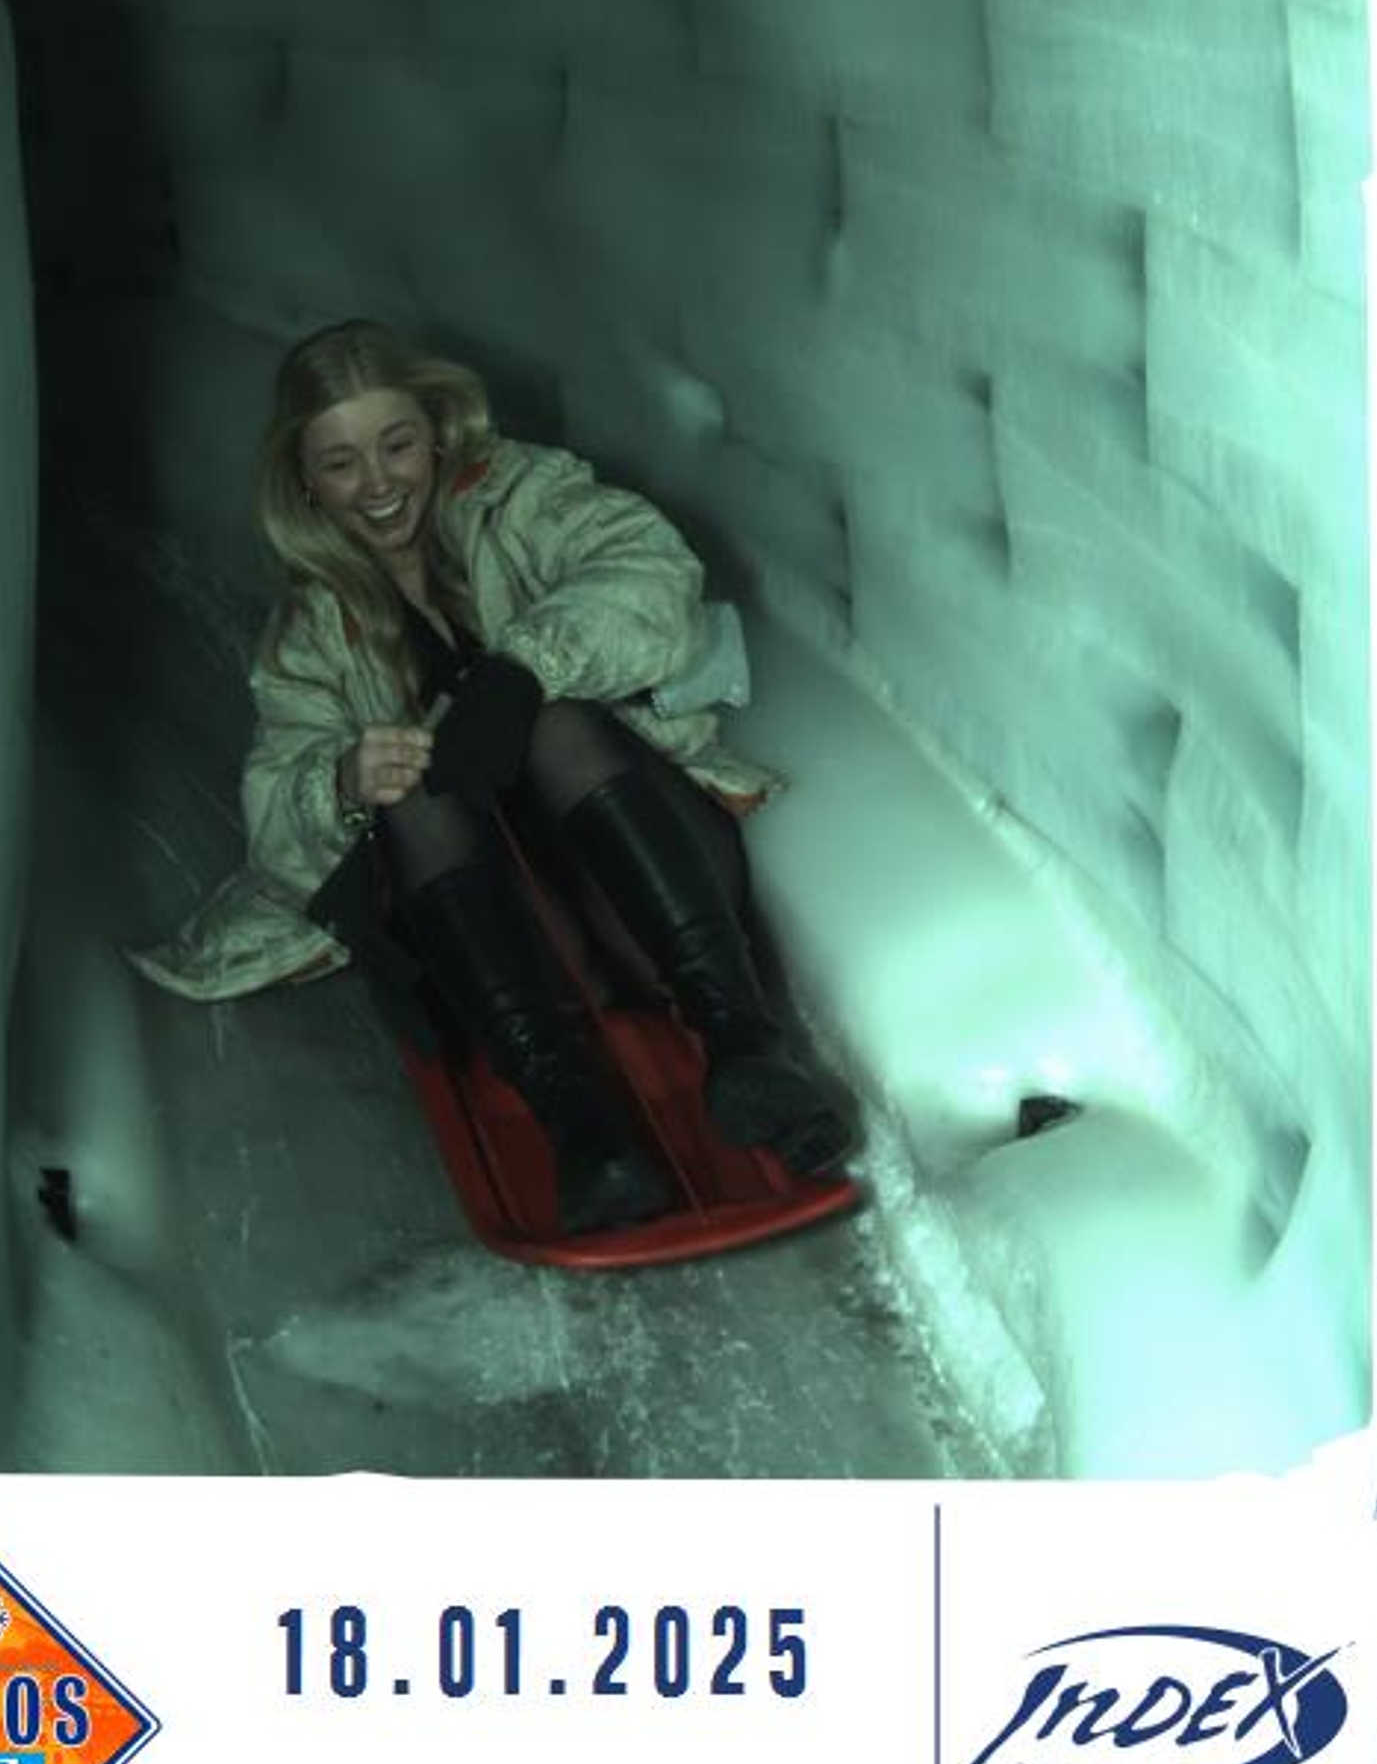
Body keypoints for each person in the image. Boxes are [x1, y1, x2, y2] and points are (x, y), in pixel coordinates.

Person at [131, 319, 850, 1236]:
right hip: (497, 954)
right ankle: (579, 1123)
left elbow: (653, 575)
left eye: (396, 445)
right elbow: (276, 827)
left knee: (556, 726)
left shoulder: (522, 498)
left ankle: (746, 1051)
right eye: (342, 463)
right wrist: (341, 781)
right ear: (304, 480)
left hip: (631, 897)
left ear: (437, 432)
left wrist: (524, 671)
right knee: (412, 787)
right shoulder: (313, 636)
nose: (379, 483)